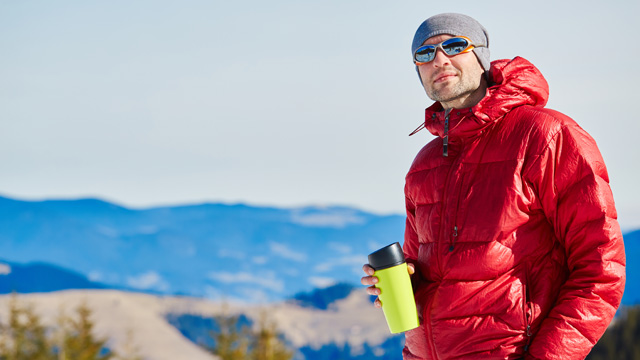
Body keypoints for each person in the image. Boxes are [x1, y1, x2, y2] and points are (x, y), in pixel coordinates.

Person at [361, 13, 626, 360]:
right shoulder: (424, 165)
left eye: (454, 46)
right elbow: (426, 270)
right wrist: (404, 284)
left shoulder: (545, 136)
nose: (439, 60)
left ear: (481, 56)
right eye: (424, 55)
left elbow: (601, 269)